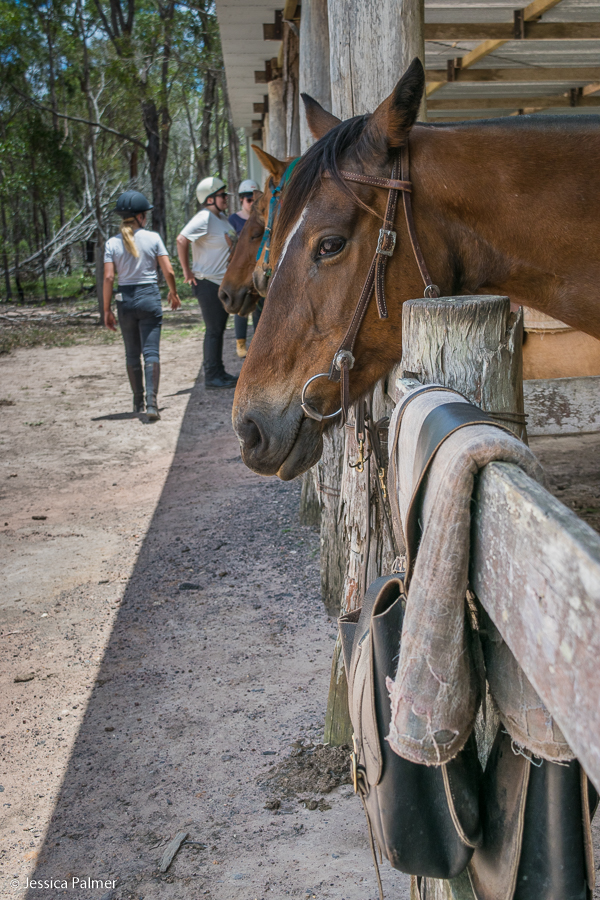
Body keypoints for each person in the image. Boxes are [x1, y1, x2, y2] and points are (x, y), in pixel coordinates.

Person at [103, 190, 181, 421]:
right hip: (149, 297)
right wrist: (173, 292)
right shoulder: (153, 238)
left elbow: (108, 277)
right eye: (145, 215)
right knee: (151, 352)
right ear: (139, 217)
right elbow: (168, 270)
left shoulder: (112, 243)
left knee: (131, 353)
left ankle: (137, 400)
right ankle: (152, 404)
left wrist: (106, 309)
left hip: (125, 300)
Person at [176, 176, 238, 389]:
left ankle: (219, 372)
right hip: (208, 282)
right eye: (222, 195)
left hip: (221, 282)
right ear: (209, 198)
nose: (226, 198)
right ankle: (211, 376)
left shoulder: (221, 218)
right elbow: (181, 239)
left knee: (218, 330)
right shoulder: (204, 217)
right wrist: (187, 271)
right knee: (213, 330)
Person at [228, 179, 262, 359]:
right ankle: (240, 342)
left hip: (257, 268)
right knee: (241, 305)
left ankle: (257, 342)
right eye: (249, 200)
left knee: (258, 307)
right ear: (241, 199)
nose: (252, 203)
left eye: (255, 200)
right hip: (242, 269)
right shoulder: (233, 220)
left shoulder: (261, 220)